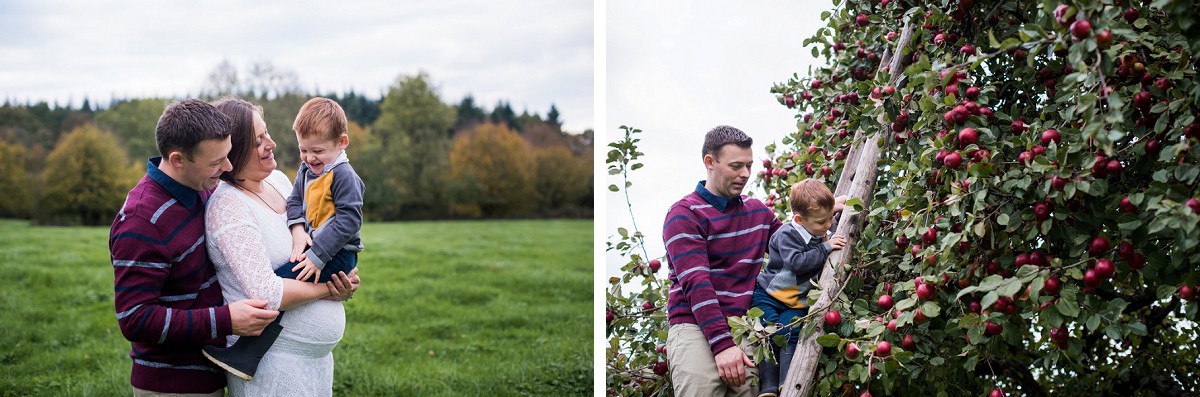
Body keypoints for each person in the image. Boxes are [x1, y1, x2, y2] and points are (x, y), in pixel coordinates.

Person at [110, 99, 280, 396]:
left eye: (227, 156)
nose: (227, 167)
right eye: (216, 162)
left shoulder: (201, 188)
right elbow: (134, 318)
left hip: (213, 373)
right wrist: (225, 320)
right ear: (178, 160)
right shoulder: (142, 220)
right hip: (173, 385)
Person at [199, 97, 359, 396]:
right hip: (274, 364)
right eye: (259, 141)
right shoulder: (228, 205)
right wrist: (332, 288)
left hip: (315, 361)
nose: (271, 144)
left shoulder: (280, 180)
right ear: (233, 151)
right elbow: (267, 294)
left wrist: (336, 272)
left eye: (267, 133)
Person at [662, 125, 783, 396]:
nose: (745, 174)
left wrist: (823, 208)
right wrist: (723, 345)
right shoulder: (685, 214)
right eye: (736, 166)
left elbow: (792, 244)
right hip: (696, 328)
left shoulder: (757, 213)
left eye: (749, 166)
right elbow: (696, 282)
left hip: (745, 329)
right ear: (710, 162)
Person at [752, 179, 846, 397]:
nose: (829, 225)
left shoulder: (818, 227)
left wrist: (836, 206)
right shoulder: (786, 234)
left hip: (795, 302)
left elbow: (825, 224)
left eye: (831, 217)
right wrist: (825, 247)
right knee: (765, 334)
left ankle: (787, 381)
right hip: (768, 295)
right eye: (823, 221)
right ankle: (768, 387)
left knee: (790, 332)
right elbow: (797, 263)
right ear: (798, 219)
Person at [282, 97, 364, 284]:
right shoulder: (306, 170)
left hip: (337, 253)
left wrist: (316, 256)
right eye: (303, 150)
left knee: (282, 284)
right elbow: (294, 200)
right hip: (314, 248)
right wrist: (298, 229)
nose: (310, 158)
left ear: (342, 142)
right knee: (277, 282)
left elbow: (349, 222)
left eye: (317, 151)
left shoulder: (344, 175)